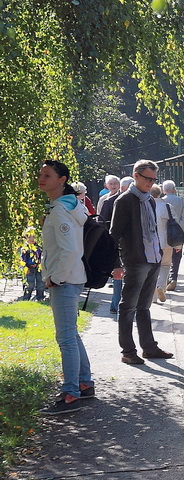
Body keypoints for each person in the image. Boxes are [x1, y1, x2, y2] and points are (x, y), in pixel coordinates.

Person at [37, 160, 93, 415]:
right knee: (71, 334)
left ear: (62, 180)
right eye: (40, 174)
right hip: (72, 277)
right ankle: (84, 382)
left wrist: (55, 278)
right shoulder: (70, 206)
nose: (41, 178)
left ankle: (71, 393)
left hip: (65, 279)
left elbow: (68, 249)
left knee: (66, 338)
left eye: (47, 175)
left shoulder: (60, 210)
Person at [108, 159, 173, 365]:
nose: (151, 183)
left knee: (144, 307)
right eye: (148, 178)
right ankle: (128, 351)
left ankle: (149, 348)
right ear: (136, 176)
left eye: (154, 179)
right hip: (135, 261)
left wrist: (159, 256)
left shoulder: (150, 200)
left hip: (153, 259)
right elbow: (114, 235)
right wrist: (116, 263)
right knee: (128, 307)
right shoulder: (124, 201)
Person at [99, 175, 133, 315]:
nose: (113, 186)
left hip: (123, 243)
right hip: (117, 243)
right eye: (111, 183)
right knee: (119, 274)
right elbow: (102, 222)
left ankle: (117, 304)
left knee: (121, 276)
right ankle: (117, 304)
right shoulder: (107, 201)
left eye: (115, 183)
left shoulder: (110, 201)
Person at [160, 179, 184, 289]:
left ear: (164, 190)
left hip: (164, 235)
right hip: (177, 235)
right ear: (173, 189)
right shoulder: (181, 201)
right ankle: (174, 278)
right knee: (176, 257)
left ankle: (165, 279)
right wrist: (179, 230)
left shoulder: (161, 201)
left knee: (164, 259)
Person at [18, 227, 45, 302]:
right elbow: (23, 259)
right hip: (29, 268)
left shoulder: (38, 247)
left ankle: (40, 297)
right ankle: (26, 298)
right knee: (30, 284)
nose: (32, 239)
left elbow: (41, 255)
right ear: (26, 237)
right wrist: (25, 267)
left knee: (40, 284)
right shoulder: (25, 248)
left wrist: (40, 262)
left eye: (33, 237)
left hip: (38, 267)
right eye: (29, 237)